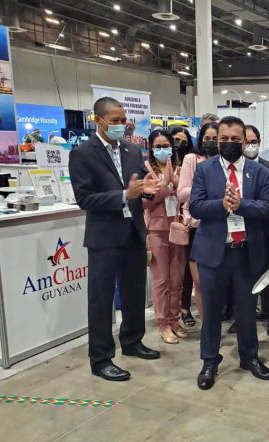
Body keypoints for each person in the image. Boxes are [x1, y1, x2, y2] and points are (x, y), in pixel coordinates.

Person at [70, 97, 161, 381]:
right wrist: (124, 195)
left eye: (124, 121)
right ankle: (100, 359)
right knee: (101, 299)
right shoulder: (83, 153)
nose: (121, 126)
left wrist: (145, 190)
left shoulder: (132, 150)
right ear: (98, 120)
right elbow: (85, 198)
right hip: (104, 237)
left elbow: (136, 189)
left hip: (133, 232)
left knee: (134, 292)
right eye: (115, 121)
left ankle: (132, 342)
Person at [190, 116, 269, 390]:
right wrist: (222, 204)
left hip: (246, 253)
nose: (229, 143)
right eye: (223, 139)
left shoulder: (260, 171)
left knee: (247, 310)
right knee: (212, 311)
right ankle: (209, 361)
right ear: (216, 141)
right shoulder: (204, 170)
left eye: (235, 139)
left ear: (244, 140)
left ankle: (249, 357)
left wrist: (241, 205)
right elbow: (195, 207)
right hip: (213, 253)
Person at [143, 130, 187, 344]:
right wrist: (163, 186)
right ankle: (163, 323)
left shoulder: (180, 168)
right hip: (156, 230)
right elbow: (143, 202)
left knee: (177, 279)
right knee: (161, 280)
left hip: (178, 228)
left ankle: (175, 319)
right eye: (158, 146)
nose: (162, 150)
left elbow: (188, 195)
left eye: (165, 146)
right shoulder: (146, 169)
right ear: (151, 148)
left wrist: (177, 183)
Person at [177, 122, 219, 330]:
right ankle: (207, 327)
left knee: (219, 283)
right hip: (197, 227)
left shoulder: (226, 161)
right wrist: (205, 185)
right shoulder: (192, 159)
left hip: (222, 227)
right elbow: (182, 193)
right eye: (207, 138)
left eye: (215, 138)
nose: (210, 142)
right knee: (201, 283)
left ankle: (218, 321)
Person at [245, 124, 269, 338]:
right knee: (246, 274)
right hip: (242, 229)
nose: (250, 146)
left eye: (254, 142)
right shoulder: (233, 170)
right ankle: (247, 313)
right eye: (247, 141)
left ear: (260, 143)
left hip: (267, 228)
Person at [171, 126, 197, 328]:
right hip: (168, 221)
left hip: (189, 221)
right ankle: (173, 312)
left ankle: (185, 307)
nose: (178, 144)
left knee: (188, 269)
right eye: (174, 140)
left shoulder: (191, 160)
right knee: (172, 270)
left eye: (183, 140)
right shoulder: (160, 164)